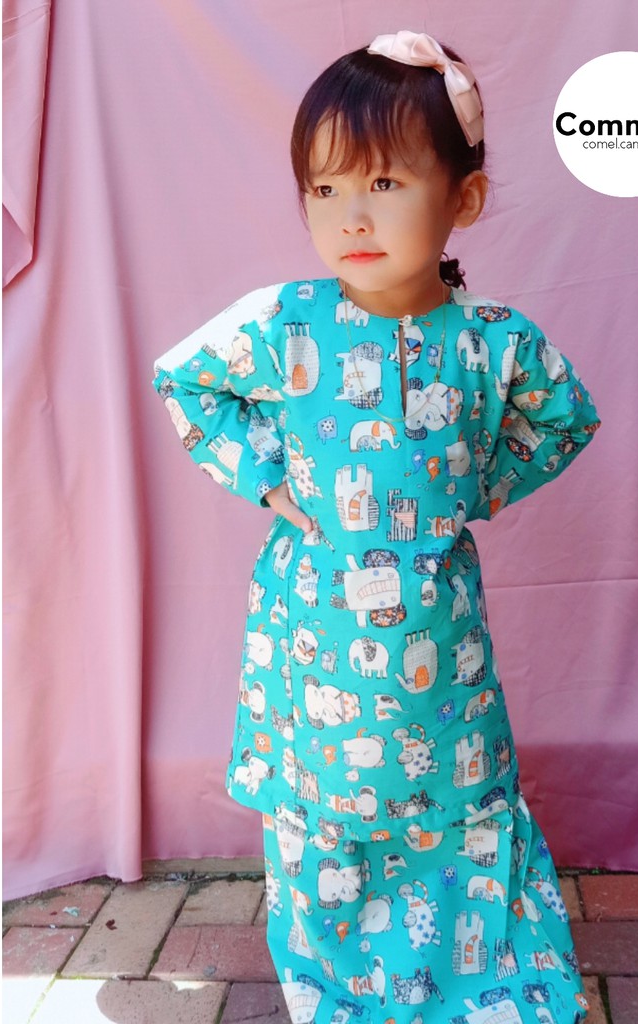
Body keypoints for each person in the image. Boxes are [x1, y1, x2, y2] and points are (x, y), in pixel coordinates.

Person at [152, 30, 601, 1024]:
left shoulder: (491, 342)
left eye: (385, 183)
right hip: (315, 641)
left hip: (440, 645)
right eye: (324, 188)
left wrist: (481, 485)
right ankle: (343, 992)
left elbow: (565, 418)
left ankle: (482, 984)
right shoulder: (283, 323)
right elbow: (185, 382)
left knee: (461, 809)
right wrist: (264, 475)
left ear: (462, 199)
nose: (350, 215)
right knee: (323, 818)